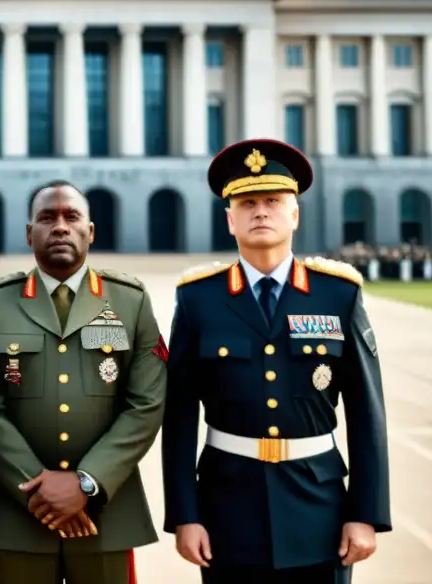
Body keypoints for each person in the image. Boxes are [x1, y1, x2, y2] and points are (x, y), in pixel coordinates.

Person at [161, 139, 391, 583]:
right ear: (230, 219)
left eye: (272, 201)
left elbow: (367, 413)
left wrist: (366, 513)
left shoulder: (338, 293)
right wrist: (185, 516)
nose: (260, 212)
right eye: (247, 203)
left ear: (295, 214)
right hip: (227, 510)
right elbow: (179, 417)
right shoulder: (198, 299)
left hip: (319, 510)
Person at [0, 180, 168, 584]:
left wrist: (87, 483)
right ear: (28, 233)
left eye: (72, 217)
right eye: (47, 218)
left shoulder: (130, 301)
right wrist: (43, 494)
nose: (59, 227)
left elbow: (146, 404)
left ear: (90, 232)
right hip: (20, 513)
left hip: (105, 511)